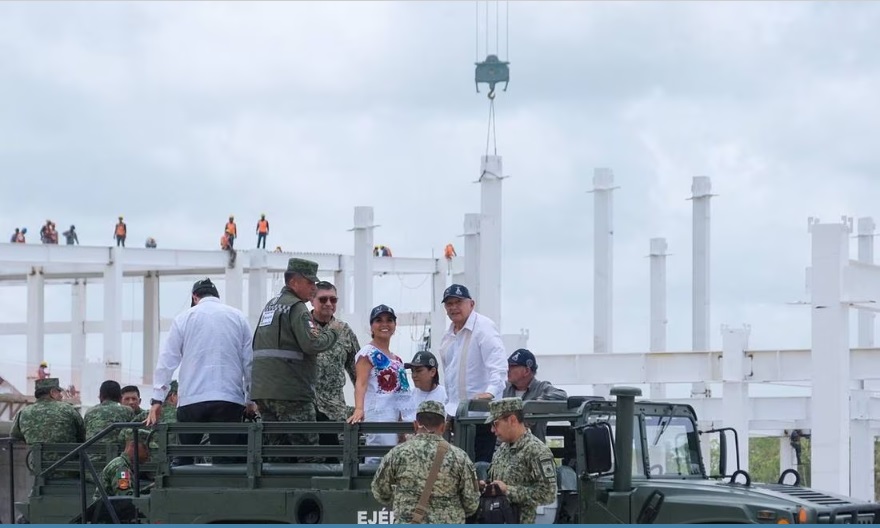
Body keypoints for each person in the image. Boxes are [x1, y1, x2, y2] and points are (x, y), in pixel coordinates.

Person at [146, 278, 254, 466]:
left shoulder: (183, 319)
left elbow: (167, 361)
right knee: (226, 462)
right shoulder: (238, 317)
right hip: (228, 400)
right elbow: (250, 362)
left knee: (184, 460)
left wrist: (157, 400)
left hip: (191, 400)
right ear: (217, 297)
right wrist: (250, 400)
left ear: (195, 297)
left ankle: (181, 492)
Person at [251, 258, 340, 460]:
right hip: (291, 394)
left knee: (276, 454)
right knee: (308, 453)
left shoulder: (270, 306)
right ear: (294, 282)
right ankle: (310, 492)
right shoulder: (297, 308)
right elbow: (313, 344)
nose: (313, 288)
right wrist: (333, 331)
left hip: (264, 393)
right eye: (309, 283)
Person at [371, 400, 480, 524]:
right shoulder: (460, 457)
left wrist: (403, 500)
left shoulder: (397, 453)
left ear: (416, 425)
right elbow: (471, 503)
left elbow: (380, 491)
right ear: (443, 427)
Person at [436, 284, 507, 462]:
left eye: (458, 302)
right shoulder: (448, 335)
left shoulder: (483, 327)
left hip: (481, 415)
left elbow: (498, 365)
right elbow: (450, 376)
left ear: (471, 304)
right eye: (449, 304)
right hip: (456, 414)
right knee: (458, 466)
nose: (453, 307)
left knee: (481, 466)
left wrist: (490, 392)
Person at [347, 304, 411, 463]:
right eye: (379, 320)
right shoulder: (367, 353)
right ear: (372, 326)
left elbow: (400, 393)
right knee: (377, 458)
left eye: (389, 320)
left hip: (396, 418)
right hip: (378, 415)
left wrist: (402, 423)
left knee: (394, 460)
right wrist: (359, 408)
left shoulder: (397, 359)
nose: (384, 324)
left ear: (395, 326)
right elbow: (360, 383)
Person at [483, 398, 557, 524]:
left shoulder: (536, 451)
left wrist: (508, 490)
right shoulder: (502, 449)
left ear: (512, 420)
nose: (492, 430)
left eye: (495, 424)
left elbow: (548, 494)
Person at [311, 281, 359, 445]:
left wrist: (362, 407)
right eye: (323, 300)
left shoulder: (344, 331)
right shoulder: (302, 326)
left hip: (335, 410)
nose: (329, 304)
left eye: (333, 300)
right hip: (308, 409)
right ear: (312, 300)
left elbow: (358, 374)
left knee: (338, 459)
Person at [11, 378, 86, 477]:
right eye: (59, 392)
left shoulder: (23, 412)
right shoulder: (68, 409)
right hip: (69, 469)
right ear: (53, 392)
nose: (61, 396)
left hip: (40, 470)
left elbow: (15, 435)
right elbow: (83, 435)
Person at [502, 349, 568, 441]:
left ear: (527, 371)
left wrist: (536, 404)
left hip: (533, 450)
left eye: (512, 366)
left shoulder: (541, 388)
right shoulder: (503, 389)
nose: (508, 369)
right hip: (504, 449)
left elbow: (562, 395)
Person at [95, 428, 153, 500]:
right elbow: (126, 499)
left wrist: (150, 489)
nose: (149, 453)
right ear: (134, 446)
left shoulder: (125, 465)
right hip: (108, 510)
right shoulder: (121, 468)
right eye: (146, 448)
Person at [401, 351, 447, 422]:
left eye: (419, 371)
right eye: (412, 371)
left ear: (432, 372)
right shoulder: (408, 397)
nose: (414, 375)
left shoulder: (445, 396)